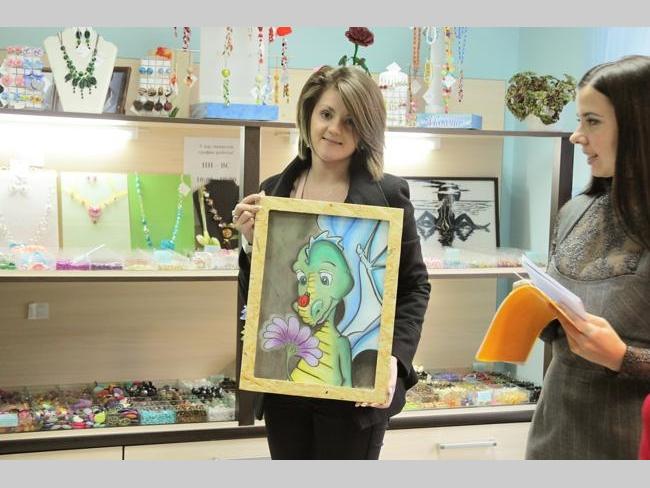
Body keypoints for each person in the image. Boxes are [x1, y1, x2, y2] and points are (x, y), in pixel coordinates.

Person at [233, 65, 431, 459]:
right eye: (326, 114)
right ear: (309, 114)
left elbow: (414, 287)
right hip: (285, 387)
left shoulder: (389, 195)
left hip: (355, 394)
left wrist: (394, 358)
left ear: (367, 129)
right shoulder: (273, 193)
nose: (334, 129)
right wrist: (252, 245)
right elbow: (257, 298)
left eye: (351, 121)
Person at [525, 55, 650, 459]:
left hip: (630, 439)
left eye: (592, 121)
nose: (576, 137)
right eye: (579, 121)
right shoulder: (574, 211)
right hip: (555, 429)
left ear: (638, 125)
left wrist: (623, 358)